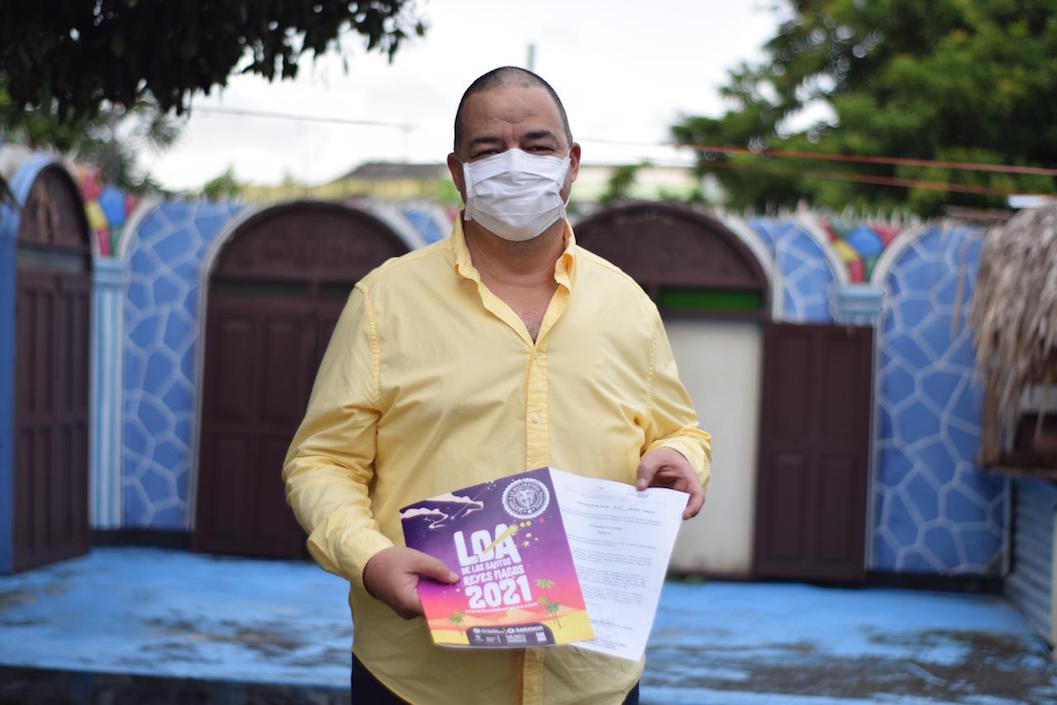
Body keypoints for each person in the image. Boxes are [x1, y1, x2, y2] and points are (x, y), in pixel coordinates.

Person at [282, 66, 711, 705]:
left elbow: (680, 428)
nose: (515, 165)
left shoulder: (628, 305)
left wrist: (679, 457)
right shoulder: (384, 302)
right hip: (417, 681)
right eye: (489, 149)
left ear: (572, 164)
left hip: (590, 681)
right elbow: (320, 462)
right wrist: (369, 559)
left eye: (538, 146)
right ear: (458, 171)